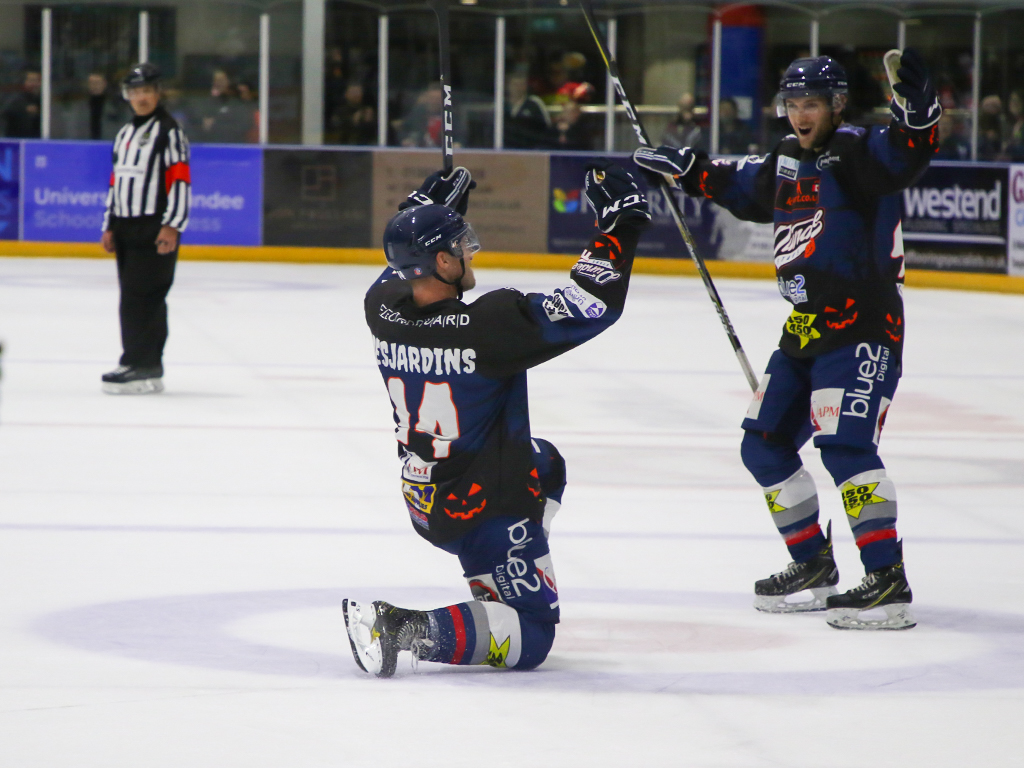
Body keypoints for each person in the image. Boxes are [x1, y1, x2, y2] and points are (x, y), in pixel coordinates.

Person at [634, 51, 941, 630]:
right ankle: (814, 564)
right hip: (805, 329)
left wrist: (919, 114)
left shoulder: (855, 150)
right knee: (763, 446)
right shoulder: (782, 158)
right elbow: (736, 184)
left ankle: (886, 580)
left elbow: (904, 153)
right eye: (793, 104)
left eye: (812, 104)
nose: (802, 114)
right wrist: (684, 167)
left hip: (863, 326)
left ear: (836, 105)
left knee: (846, 446)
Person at [345, 160, 650, 677]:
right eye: (460, 246)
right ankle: (400, 627)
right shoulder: (487, 327)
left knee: (545, 462)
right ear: (441, 261)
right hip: (483, 511)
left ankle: (507, 571)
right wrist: (621, 226)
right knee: (530, 636)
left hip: (425, 494)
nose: (470, 251)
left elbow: (398, 263)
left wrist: (424, 206)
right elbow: (590, 302)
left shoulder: (382, 308)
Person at [99, 63, 191, 395]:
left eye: (147, 91)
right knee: (132, 297)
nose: (141, 97)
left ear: (158, 93)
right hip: (125, 226)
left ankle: (140, 363)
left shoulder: (169, 131)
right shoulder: (125, 133)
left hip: (154, 227)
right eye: (135, 92)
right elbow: (116, 181)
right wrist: (109, 224)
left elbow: (180, 180)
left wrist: (172, 226)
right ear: (127, 96)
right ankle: (141, 362)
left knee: (144, 297)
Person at [57, 72, 125, 141]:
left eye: (98, 82)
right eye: (92, 83)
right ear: (88, 85)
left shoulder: (115, 107)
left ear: (104, 84)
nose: (95, 86)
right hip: (85, 145)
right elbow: (74, 128)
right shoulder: (79, 108)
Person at [504, 71, 552, 149]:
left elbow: (546, 128)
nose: (517, 88)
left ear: (525, 86)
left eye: (521, 85)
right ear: (508, 86)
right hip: (507, 151)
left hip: (529, 150)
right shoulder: (502, 105)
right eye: (514, 84)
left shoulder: (534, 103)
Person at [1, 70, 41, 138]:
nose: (34, 84)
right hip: (16, 139)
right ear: (24, 82)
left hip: (37, 140)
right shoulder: (15, 98)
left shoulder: (44, 100)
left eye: (37, 81)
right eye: (31, 80)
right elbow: (5, 112)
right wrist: (24, 109)